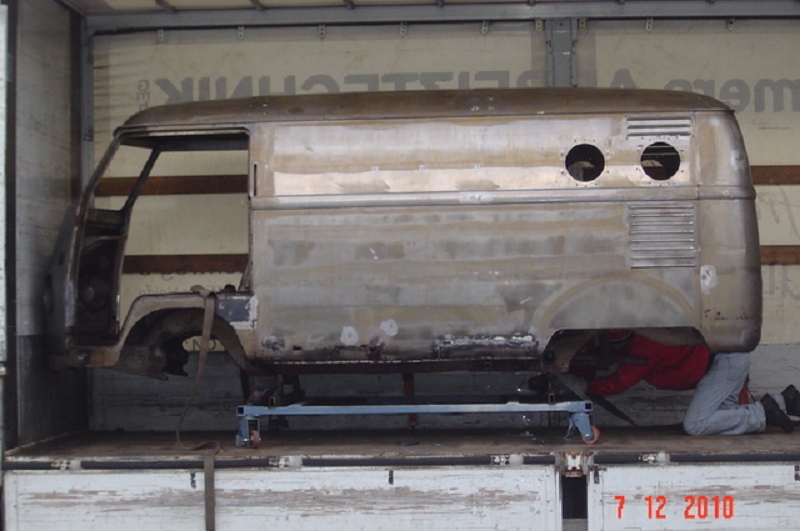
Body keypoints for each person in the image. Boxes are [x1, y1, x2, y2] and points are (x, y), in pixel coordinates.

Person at [574, 331, 800, 436]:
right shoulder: (643, 337)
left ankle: (765, 412)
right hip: (729, 360)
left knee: (696, 425)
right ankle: (785, 401)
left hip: (723, 363)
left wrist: (583, 387)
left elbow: (619, 382)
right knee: (722, 424)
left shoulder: (644, 346)